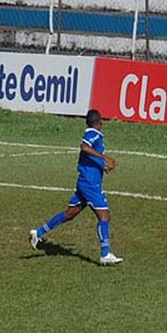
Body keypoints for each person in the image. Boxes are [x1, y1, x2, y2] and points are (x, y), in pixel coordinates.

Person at [29, 111, 123, 266]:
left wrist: (101, 166)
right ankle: (105, 254)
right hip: (89, 184)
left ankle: (37, 233)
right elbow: (84, 147)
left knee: (70, 213)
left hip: (86, 181)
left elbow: (87, 155)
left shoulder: (93, 134)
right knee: (104, 216)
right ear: (99, 123)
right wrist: (104, 158)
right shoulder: (93, 133)